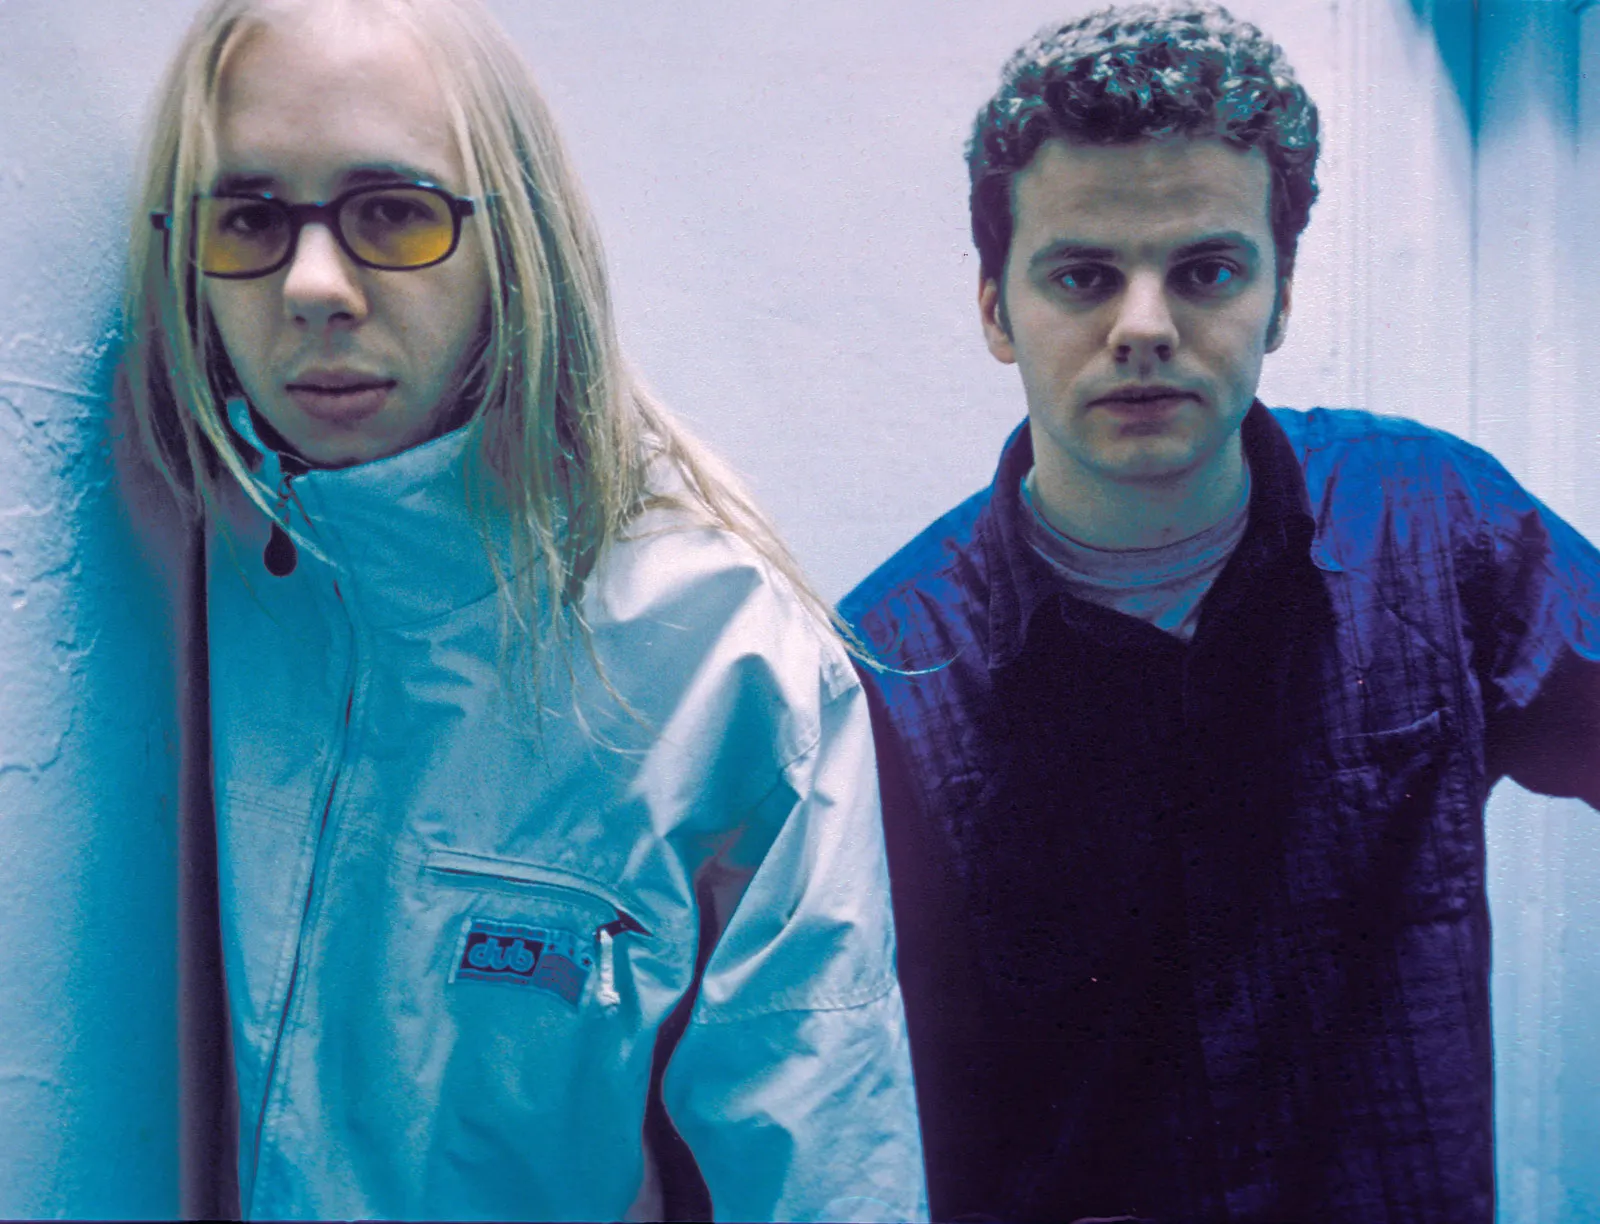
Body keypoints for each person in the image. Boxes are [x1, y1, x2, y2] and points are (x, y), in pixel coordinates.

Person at [122, 0, 926, 1219]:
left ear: (517, 238)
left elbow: (823, 1180)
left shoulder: (720, 657)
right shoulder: (171, 568)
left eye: (393, 212)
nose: (314, 286)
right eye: (249, 219)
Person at [840, 4, 1600, 1221]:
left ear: (1279, 296)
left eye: (1205, 271)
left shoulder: (1434, 523)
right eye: (1083, 276)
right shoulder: (887, 672)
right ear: (994, 308)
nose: (1143, 327)